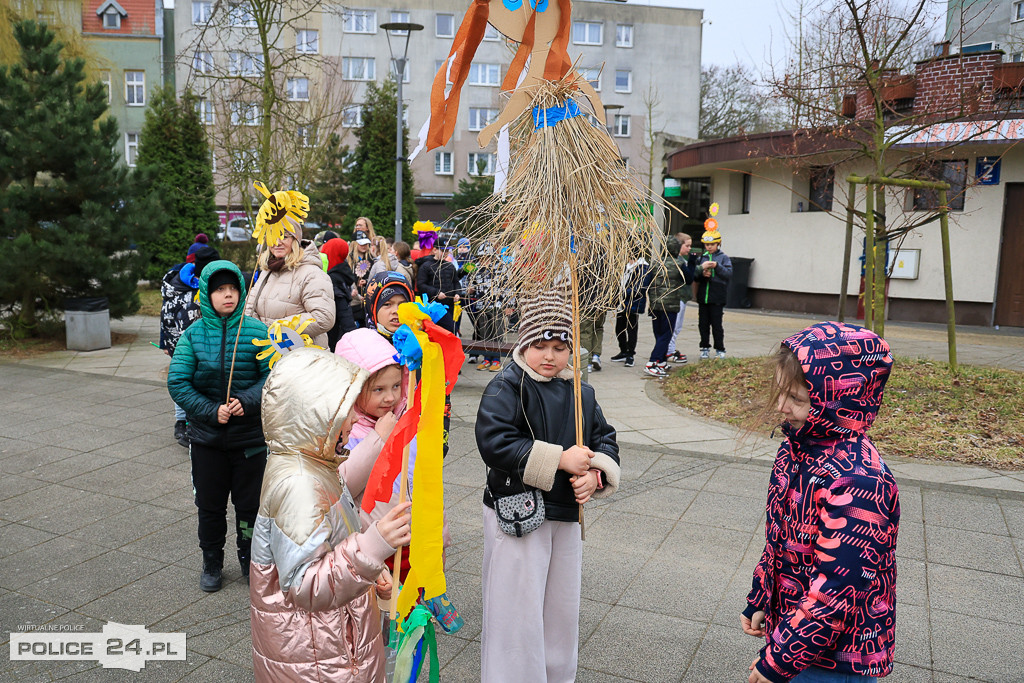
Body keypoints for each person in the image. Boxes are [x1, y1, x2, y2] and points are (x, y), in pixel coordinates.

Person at [475, 291, 621, 683]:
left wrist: (595, 474)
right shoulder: (508, 385)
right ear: (524, 343)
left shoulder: (581, 392)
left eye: (560, 346)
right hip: (518, 512)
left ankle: (557, 675)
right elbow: (494, 441)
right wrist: (559, 458)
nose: (550, 356)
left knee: (560, 610)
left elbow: (604, 439)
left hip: (564, 514)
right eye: (539, 345)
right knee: (516, 611)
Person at [742, 321, 899, 683]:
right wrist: (762, 595)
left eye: (797, 399)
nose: (781, 406)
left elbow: (837, 592)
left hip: (837, 659)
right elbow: (779, 538)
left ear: (840, 400)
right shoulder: (797, 450)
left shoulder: (859, 480)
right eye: (781, 393)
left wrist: (777, 663)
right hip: (796, 637)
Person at [249, 348, 413, 681]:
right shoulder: (299, 485)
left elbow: (332, 542)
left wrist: (370, 570)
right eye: (344, 410)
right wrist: (372, 547)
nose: (354, 420)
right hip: (320, 655)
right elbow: (306, 585)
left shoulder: (316, 464)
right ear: (315, 414)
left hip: (331, 639)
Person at [335, 328, 464, 633]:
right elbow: (344, 486)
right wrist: (378, 439)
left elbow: (423, 477)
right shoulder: (349, 431)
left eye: (396, 386)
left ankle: (426, 602)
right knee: (380, 616)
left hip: (412, 534)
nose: (390, 396)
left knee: (411, 616)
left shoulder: (407, 420)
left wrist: (438, 529)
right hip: (374, 538)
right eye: (378, 389)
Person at [166, 260, 270, 592]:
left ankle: (248, 559)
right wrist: (211, 411)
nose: (227, 295)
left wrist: (249, 400)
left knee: (250, 508)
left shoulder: (255, 331)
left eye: (232, 289)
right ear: (207, 295)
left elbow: (272, 375)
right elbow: (178, 382)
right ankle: (211, 561)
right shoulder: (193, 335)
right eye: (220, 290)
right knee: (209, 507)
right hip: (207, 440)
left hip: (249, 440)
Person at [160, 244, 220, 447]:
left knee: (192, 379)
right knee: (184, 379)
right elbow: (167, 313)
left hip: (190, 340)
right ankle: (183, 422)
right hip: (183, 341)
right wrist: (166, 342)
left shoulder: (182, 281)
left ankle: (189, 422)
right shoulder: (185, 287)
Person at [244, 219, 335, 348]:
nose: (277, 242)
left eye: (284, 237)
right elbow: (249, 307)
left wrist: (275, 329)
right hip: (267, 352)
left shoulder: (312, 274)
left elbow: (323, 318)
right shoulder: (267, 271)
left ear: (295, 240)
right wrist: (258, 333)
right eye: (272, 236)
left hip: (303, 357)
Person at [643, 237, 687, 378]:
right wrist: (693, 263)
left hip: (655, 305)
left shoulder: (655, 263)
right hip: (670, 306)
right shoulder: (679, 264)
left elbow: (646, 283)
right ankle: (652, 363)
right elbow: (690, 278)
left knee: (659, 334)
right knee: (666, 335)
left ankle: (661, 361)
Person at [693, 226, 732, 360]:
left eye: (712, 244)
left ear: (718, 244)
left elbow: (728, 274)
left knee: (716, 325)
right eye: (707, 244)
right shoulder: (701, 258)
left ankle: (720, 348)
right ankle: (704, 347)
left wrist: (717, 266)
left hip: (717, 297)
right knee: (703, 324)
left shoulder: (724, 258)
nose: (709, 247)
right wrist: (702, 273)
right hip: (703, 297)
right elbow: (695, 277)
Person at [609, 254, 648, 368]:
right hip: (622, 303)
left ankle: (630, 354)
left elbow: (639, 287)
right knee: (619, 328)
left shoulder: (642, 267)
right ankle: (623, 350)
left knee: (631, 329)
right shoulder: (626, 266)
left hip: (633, 303)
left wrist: (622, 293)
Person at [415, 237, 461, 332]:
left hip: (449, 305)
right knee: (449, 330)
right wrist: (436, 293)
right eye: (443, 250)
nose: (446, 253)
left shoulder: (450, 266)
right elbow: (421, 285)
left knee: (448, 331)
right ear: (435, 250)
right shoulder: (426, 266)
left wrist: (457, 293)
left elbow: (456, 282)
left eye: (447, 251)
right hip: (433, 306)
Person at [321, 237, 358, 350]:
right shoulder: (342, 273)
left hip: (333, 339)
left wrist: (355, 339)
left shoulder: (332, 277)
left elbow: (344, 312)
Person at [666, 233, 695, 364]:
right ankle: (669, 351)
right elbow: (688, 278)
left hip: (681, 298)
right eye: (687, 246)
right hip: (677, 298)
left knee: (677, 327)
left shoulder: (682, 260)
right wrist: (699, 267)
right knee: (674, 326)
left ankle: (669, 350)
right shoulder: (678, 262)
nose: (689, 249)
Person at [363, 271, 414, 340]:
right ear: (372, 309)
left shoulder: (423, 342)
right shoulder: (360, 347)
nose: (396, 311)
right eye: (387, 304)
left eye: (403, 304)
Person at [348, 218, 377, 326]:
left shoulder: (371, 257)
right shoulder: (349, 258)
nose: (364, 246)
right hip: (354, 301)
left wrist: (367, 281)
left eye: (366, 243)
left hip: (367, 299)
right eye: (361, 244)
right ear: (355, 244)